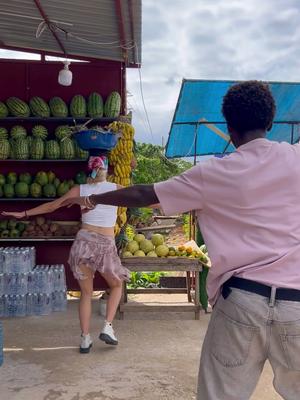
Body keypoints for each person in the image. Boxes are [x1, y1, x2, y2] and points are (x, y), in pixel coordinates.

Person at [61, 81, 300, 399]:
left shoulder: (213, 173)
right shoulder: (295, 158)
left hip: (241, 302)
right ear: (271, 123)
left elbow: (146, 193)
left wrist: (97, 199)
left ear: (228, 128)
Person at [2, 155, 130, 353]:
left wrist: (24, 214)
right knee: (117, 285)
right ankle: (108, 326)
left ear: (89, 171)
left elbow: (53, 205)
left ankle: (85, 339)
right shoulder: (115, 188)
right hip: (105, 243)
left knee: (86, 293)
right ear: (106, 170)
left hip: (83, 241)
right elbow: (141, 197)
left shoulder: (80, 189)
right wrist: (170, 202)